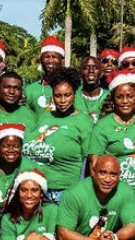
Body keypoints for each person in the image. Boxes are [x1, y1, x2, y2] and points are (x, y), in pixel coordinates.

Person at [23, 67, 92, 204]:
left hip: (67, 193)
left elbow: (87, 162)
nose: (62, 100)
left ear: (75, 95)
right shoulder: (46, 117)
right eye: (58, 96)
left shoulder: (83, 121)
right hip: (41, 192)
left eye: (67, 95)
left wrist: (81, 193)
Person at [88, 72, 135, 209]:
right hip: (113, 194)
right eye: (119, 97)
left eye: (130, 96)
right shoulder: (102, 126)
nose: (125, 101)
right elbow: (94, 166)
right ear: (113, 99)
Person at [25, 36, 66, 112]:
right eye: (47, 57)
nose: (50, 60)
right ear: (41, 60)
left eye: (54, 57)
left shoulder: (71, 88)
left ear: (62, 60)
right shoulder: (30, 90)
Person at [76, 56, 106, 122]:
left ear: (101, 72)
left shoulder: (109, 96)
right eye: (86, 68)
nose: (91, 71)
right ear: (80, 71)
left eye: (95, 68)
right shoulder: (73, 95)